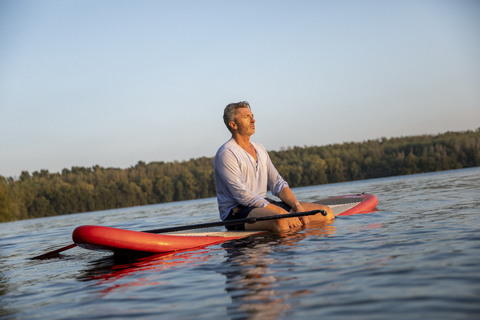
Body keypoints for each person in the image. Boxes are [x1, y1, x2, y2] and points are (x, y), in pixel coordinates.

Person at [214, 101, 334, 232]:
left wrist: (297, 207)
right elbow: (243, 195)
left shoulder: (259, 148)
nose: (253, 120)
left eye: (252, 116)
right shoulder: (226, 153)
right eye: (246, 117)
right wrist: (282, 213)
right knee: (281, 223)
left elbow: (277, 183)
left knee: (326, 213)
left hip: (264, 205)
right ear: (233, 124)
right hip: (237, 211)